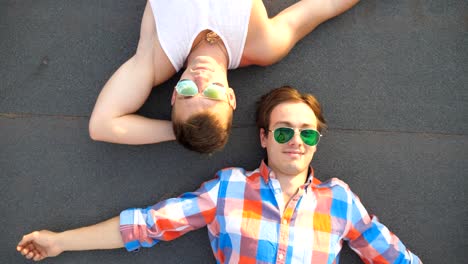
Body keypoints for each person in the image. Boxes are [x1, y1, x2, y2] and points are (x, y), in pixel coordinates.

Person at [17, 86, 422, 263]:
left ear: (316, 140)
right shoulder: (228, 189)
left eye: (306, 132)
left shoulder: (341, 201)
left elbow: (392, 258)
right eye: (283, 131)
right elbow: (146, 225)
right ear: (264, 137)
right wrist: (60, 242)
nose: (295, 140)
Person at [88, 0, 360, 153]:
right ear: (231, 97)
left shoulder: (155, 57)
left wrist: (182, 133)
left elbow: (101, 126)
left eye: (186, 91)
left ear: (173, 94)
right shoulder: (262, 46)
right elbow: (323, 6)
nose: (200, 80)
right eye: (213, 94)